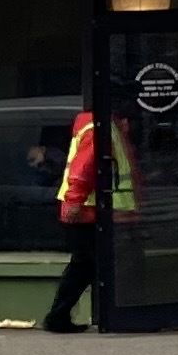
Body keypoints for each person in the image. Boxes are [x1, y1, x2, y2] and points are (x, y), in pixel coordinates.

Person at [41, 103, 129, 334]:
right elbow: (84, 168)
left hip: (90, 208)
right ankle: (59, 316)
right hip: (88, 210)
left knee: (86, 265)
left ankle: (59, 316)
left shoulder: (96, 126)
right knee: (90, 264)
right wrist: (74, 200)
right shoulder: (100, 128)